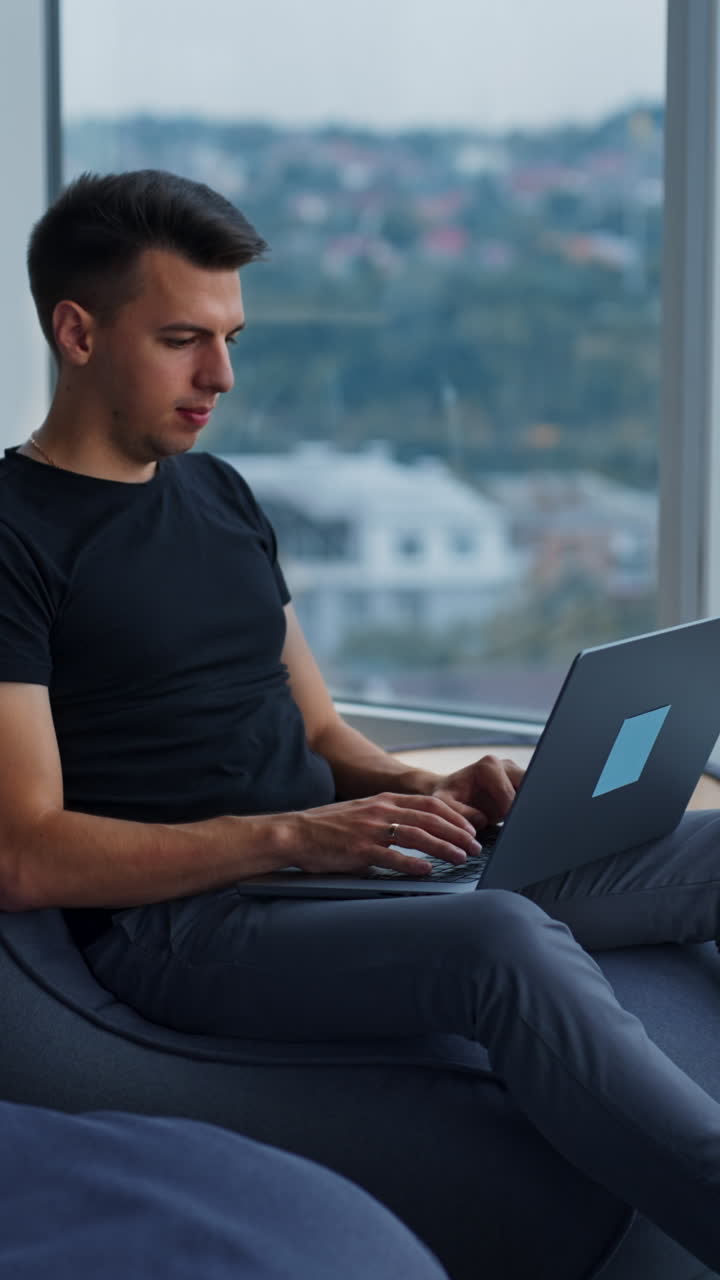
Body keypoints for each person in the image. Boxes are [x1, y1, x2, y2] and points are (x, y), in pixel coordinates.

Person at [1, 168, 720, 1273]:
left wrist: (426, 792)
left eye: (232, 336)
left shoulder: (222, 493)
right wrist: (294, 836)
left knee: (706, 842)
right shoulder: (14, 535)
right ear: (77, 330)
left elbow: (326, 737)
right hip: (182, 924)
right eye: (185, 338)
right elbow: (25, 852)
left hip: (331, 871)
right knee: (500, 938)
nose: (222, 376)